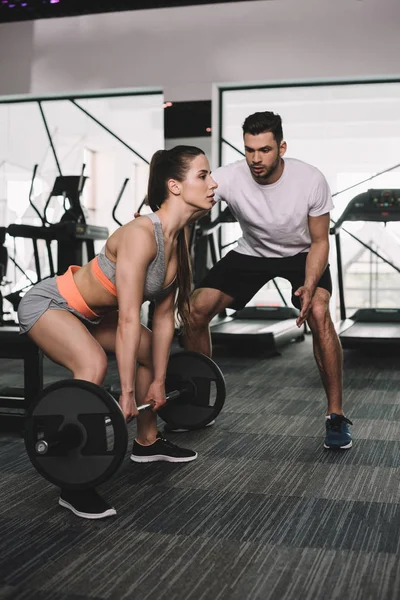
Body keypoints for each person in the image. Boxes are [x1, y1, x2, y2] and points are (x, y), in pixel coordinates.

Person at [18, 145, 218, 519]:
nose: (213, 184)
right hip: (50, 305)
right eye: (203, 176)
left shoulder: (179, 239)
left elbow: (160, 319)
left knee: (148, 349)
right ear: (175, 186)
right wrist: (125, 392)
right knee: (92, 365)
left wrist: (158, 380)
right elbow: (128, 318)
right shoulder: (142, 234)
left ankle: (146, 439)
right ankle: (74, 483)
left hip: (91, 315)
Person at [184, 111, 352, 450]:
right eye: (249, 150)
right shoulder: (228, 177)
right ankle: (199, 401)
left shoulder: (310, 179)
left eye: (264, 150)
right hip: (251, 253)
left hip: (302, 253)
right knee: (194, 310)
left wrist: (308, 284)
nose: (256, 159)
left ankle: (335, 415)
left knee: (319, 312)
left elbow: (320, 240)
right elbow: (188, 205)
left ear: (281, 147)